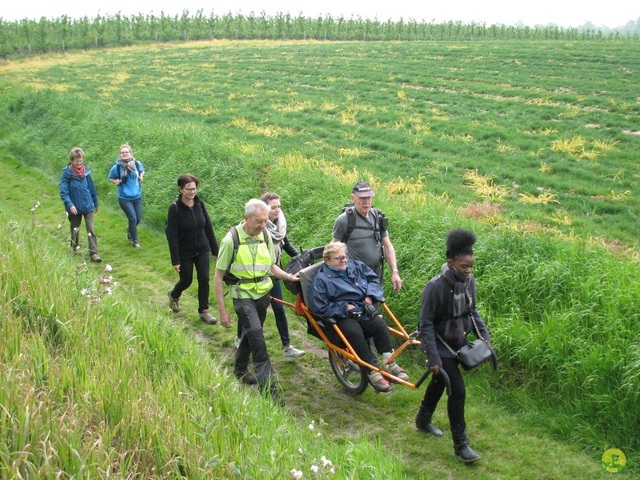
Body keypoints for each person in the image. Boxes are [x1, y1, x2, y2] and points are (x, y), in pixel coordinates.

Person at [416, 229, 491, 463]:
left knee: (440, 380)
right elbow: (425, 325)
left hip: (459, 341)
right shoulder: (435, 287)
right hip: (439, 345)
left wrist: (484, 335)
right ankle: (461, 445)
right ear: (450, 263)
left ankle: (422, 419)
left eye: (471, 266)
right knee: (457, 391)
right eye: (463, 267)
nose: (468, 271)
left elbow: (472, 310)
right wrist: (432, 358)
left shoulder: (470, 281)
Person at [213, 199, 299, 404]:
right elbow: (217, 276)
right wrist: (222, 311)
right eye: (259, 222)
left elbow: (271, 266)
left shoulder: (266, 236)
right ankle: (270, 392)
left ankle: (240, 369)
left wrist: (287, 276)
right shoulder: (230, 240)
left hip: (263, 295)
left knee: (252, 333)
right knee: (258, 341)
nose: (262, 226)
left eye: (265, 221)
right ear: (246, 218)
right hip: (242, 296)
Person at [306, 242, 409, 393]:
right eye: (337, 259)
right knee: (354, 333)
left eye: (344, 257)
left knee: (380, 324)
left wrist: (370, 295)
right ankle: (371, 371)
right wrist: (344, 308)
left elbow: (373, 279)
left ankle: (389, 362)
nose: (343, 260)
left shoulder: (355, 265)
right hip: (341, 316)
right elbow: (318, 306)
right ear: (327, 261)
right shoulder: (321, 280)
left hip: (362, 308)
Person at [235, 192, 305, 358]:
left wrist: (299, 257)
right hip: (255, 275)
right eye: (273, 207)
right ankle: (240, 338)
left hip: (274, 271)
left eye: (279, 206)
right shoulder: (258, 227)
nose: (277, 210)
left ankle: (287, 346)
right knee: (248, 309)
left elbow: (285, 242)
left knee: (279, 308)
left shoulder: (279, 224)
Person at [166, 174, 218, 324]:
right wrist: (175, 260)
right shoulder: (174, 209)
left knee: (204, 278)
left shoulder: (199, 204)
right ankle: (174, 295)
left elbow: (208, 227)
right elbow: (172, 235)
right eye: (188, 189)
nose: (192, 192)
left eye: (194, 189)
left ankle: (204, 311)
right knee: (186, 280)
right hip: (184, 252)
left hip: (202, 249)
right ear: (180, 189)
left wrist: (215, 250)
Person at [332, 181, 403, 293]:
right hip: (353, 275)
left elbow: (388, 246)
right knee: (358, 308)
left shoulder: (378, 217)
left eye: (369, 198)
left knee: (373, 306)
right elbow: (333, 248)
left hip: (374, 273)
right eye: (362, 198)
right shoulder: (344, 220)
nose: (366, 202)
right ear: (353, 198)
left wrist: (395, 271)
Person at [59, 147, 101, 263]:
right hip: (74, 207)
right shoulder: (66, 174)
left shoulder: (86, 172)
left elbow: (91, 188)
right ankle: (74, 248)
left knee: (90, 229)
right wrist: (70, 205)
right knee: (75, 229)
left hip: (88, 205)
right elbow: (64, 192)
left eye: (81, 161)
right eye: (77, 161)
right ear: (72, 160)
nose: (79, 163)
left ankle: (94, 253)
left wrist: (95, 203)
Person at [108, 144, 145, 248]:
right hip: (124, 197)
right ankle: (135, 241)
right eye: (122, 152)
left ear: (130, 153)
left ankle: (130, 229)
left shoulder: (137, 164)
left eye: (126, 152)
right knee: (132, 218)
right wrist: (117, 182)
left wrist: (141, 177)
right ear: (119, 155)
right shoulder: (117, 167)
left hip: (137, 196)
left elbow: (142, 171)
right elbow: (110, 178)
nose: (124, 154)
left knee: (138, 219)